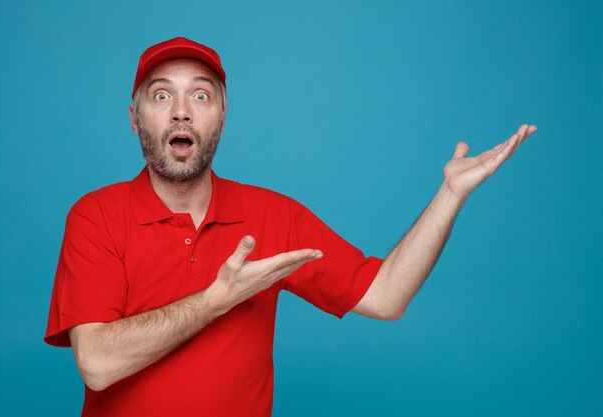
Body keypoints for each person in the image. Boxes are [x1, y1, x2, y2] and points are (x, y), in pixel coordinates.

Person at [44, 36, 537, 416]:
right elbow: (98, 364)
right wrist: (217, 300)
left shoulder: (272, 216)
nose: (181, 111)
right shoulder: (96, 216)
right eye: (160, 95)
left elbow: (385, 296)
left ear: (221, 116)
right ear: (135, 118)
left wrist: (449, 196)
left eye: (201, 95)